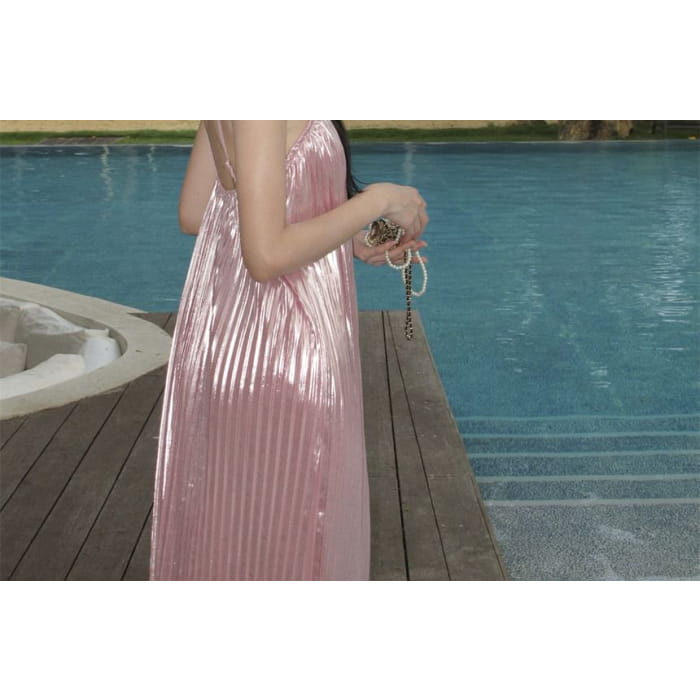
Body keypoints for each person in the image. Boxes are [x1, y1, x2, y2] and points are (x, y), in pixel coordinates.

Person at [149, 120, 428, 580]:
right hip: (287, 351)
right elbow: (267, 256)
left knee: (237, 531)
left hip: (230, 340)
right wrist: (378, 201)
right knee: (296, 538)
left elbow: (199, 211)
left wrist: (357, 239)